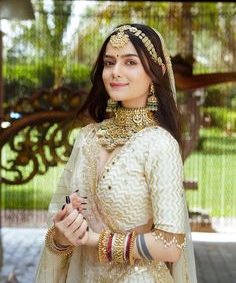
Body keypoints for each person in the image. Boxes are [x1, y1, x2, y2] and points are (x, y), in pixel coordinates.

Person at [35, 24, 197, 283]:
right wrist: (62, 236)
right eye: (109, 63)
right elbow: (59, 234)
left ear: (157, 73)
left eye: (130, 62)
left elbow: (170, 244)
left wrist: (94, 240)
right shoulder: (87, 138)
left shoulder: (159, 144)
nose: (115, 72)